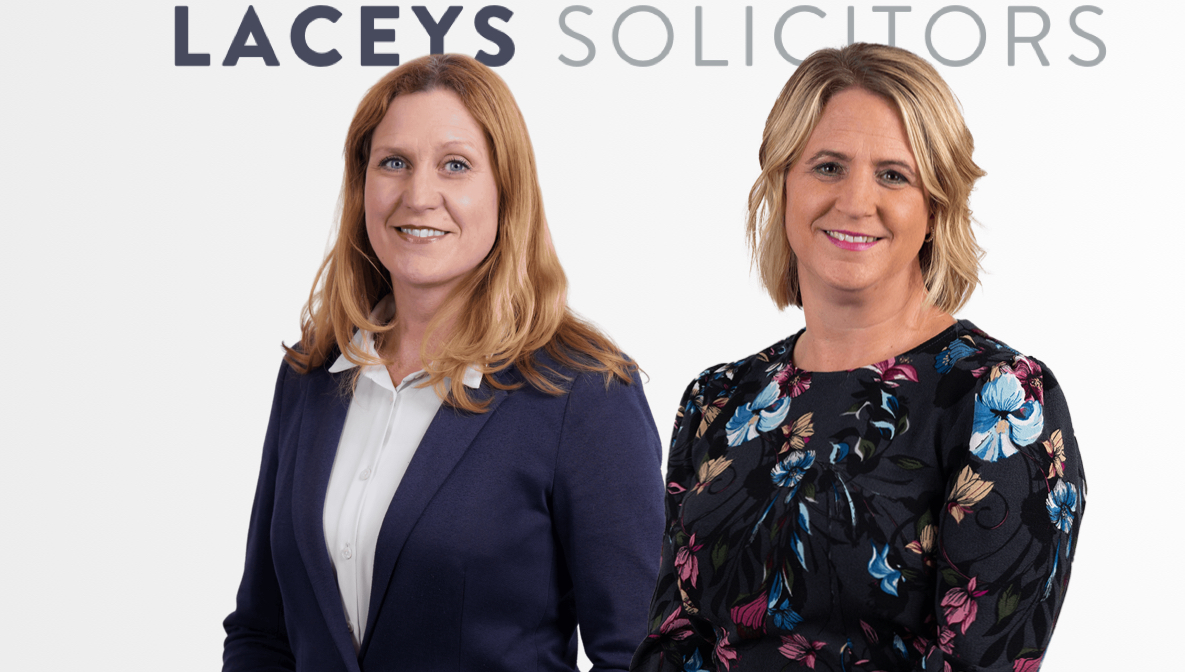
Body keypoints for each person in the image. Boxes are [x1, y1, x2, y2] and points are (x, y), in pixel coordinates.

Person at [632, 44, 1085, 672]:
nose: (854, 201)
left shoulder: (997, 398)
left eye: (893, 175)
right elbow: (671, 645)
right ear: (782, 184)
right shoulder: (718, 399)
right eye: (827, 167)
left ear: (936, 207)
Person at [223, 54, 664, 672]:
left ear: (506, 191)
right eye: (393, 163)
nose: (418, 195)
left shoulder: (583, 393)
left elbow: (640, 657)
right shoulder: (313, 374)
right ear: (362, 185)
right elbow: (262, 634)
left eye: (455, 165)